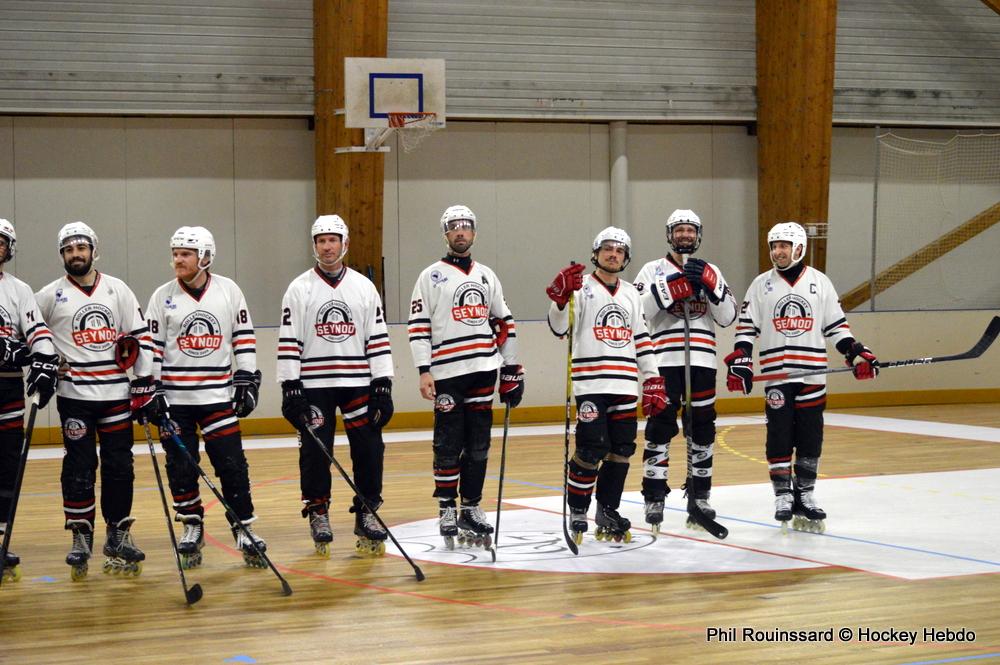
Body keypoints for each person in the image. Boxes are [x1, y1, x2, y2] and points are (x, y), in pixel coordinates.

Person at [725, 221, 879, 532]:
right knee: (779, 435)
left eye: (783, 245)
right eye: (774, 246)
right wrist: (741, 358)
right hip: (777, 376)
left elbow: (837, 328)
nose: (778, 251)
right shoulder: (760, 285)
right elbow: (746, 329)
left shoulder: (820, 283)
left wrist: (855, 352)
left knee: (810, 436)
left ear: (799, 248)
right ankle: (782, 494)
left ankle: (806, 493)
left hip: (812, 375)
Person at [139, 226, 267, 568]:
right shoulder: (162, 296)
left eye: (186, 254)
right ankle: (191, 525)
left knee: (231, 464)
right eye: (176, 253)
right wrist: (153, 388)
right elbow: (151, 347)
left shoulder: (228, 291)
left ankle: (244, 526)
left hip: (217, 397)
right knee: (181, 466)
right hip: (176, 402)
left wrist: (246, 378)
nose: (178, 260)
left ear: (205, 257)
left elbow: (243, 336)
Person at [35, 221, 153, 579]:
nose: (76, 255)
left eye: (81, 248)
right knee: (79, 467)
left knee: (120, 466)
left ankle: (118, 533)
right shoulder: (49, 295)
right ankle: (81, 534)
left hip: (116, 395)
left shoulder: (117, 290)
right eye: (69, 250)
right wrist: (44, 363)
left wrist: (145, 381)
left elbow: (140, 336)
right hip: (74, 397)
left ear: (93, 250)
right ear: (62, 255)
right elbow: (34, 334)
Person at [277, 215, 395, 557]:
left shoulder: (363, 287)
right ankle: (318, 511)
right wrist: (290, 385)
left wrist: (383, 382)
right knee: (314, 452)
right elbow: (288, 340)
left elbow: (378, 338)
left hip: (357, 382)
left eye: (333, 240)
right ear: (314, 246)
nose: (327, 246)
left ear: (345, 244)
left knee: (370, 449)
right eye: (321, 240)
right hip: (314, 386)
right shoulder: (299, 288)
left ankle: (368, 510)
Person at [407, 205, 524, 550]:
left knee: (478, 444)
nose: (460, 232)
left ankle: (471, 506)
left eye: (466, 227)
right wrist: (423, 370)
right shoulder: (430, 276)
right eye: (454, 227)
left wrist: (512, 369)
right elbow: (418, 327)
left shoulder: (488, 275)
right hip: (446, 373)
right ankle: (446, 507)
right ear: (445, 234)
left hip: (483, 370)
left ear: (474, 233)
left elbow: (503, 323)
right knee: (447, 443)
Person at [546, 227, 663, 544]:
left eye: (620, 250)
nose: (614, 254)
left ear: (626, 258)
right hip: (590, 383)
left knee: (621, 449)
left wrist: (652, 378)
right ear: (595, 253)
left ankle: (607, 509)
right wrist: (560, 300)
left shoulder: (630, 294)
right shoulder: (580, 288)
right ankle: (578, 509)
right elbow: (559, 328)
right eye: (608, 249)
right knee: (590, 447)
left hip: (625, 383)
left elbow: (642, 338)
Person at [633, 210, 737, 532]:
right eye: (679, 230)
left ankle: (700, 495)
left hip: (702, 361)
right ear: (669, 234)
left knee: (702, 429)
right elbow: (637, 312)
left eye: (690, 230)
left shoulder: (711, 269)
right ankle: (654, 495)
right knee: (660, 427)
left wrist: (711, 283)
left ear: (698, 234)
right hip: (663, 360)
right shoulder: (651, 270)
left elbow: (728, 316)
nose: (685, 235)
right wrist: (668, 289)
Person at [0, 218, 59, 582]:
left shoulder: (19, 290)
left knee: (7, 464)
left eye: (0, 242)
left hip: (7, 389)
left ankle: (1, 539)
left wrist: (44, 362)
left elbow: (38, 334)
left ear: (10, 248)